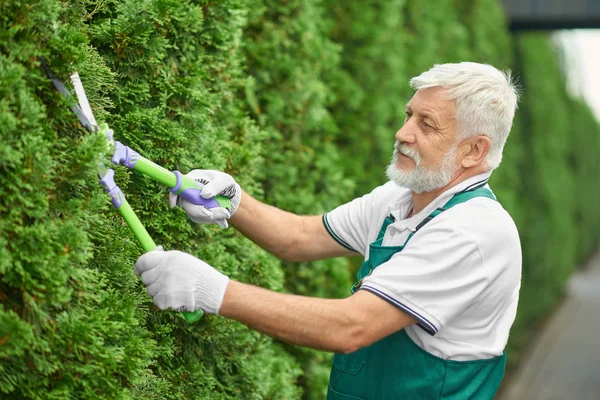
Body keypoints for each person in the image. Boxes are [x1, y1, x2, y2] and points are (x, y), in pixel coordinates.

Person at [135, 62, 522, 399]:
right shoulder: (400, 197)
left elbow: (350, 326)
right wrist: (234, 201)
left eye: (426, 124)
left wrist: (213, 291)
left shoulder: (472, 232)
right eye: (408, 115)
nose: (403, 133)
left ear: (474, 150)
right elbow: (299, 238)